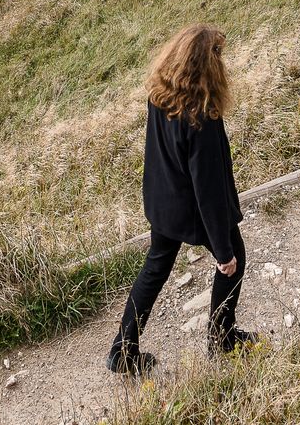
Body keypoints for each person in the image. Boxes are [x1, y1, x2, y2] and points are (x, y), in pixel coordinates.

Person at [107, 24, 259, 376]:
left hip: (162, 202)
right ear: (205, 65)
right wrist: (222, 249)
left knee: (155, 268)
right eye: (217, 56)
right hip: (191, 209)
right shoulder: (201, 117)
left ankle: (123, 351)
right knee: (235, 256)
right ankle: (221, 339)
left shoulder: (160, 95)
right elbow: (207, 189)